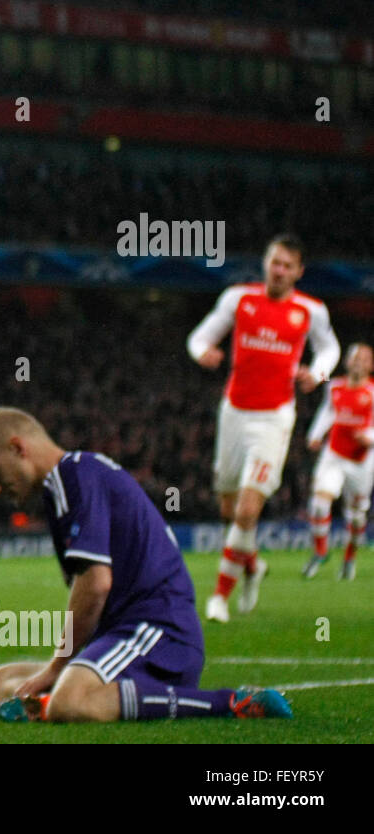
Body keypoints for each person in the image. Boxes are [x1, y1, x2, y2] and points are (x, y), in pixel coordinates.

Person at [0, 407, 292, 723]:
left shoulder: (75, 476)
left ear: (17, 448)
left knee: (71, 702)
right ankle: (53, 702)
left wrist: (57, 667)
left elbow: (96, 584)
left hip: (158, 632)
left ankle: (232, 702)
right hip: (120, 636)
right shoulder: (68, 482)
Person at [186, 234, 338, 622]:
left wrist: (317, 373)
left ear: (299, 271)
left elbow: (329, 349)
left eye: (288, 265)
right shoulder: (239, 299)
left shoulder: (310, 311)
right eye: (275, 262)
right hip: (234, 412)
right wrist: (202, 350)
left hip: (274, 417)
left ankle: (220, 596)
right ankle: (251, 566)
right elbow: (201, 334)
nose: (280, 270)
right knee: (227, 510)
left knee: (248, 510)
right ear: (265, 263)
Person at [303, 342, 374, 581]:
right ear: (347, 362)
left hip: (362, 461)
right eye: (354, 358)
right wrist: (315, 434)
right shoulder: (334, 386)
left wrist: (369, 437)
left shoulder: (373, 391)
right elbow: (328, 412)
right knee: (319, 504)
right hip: (333, 454)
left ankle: (349, 558)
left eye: (363, 359)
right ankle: (321, 551)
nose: (358, 362)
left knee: (356, 517)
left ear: (370, 365)